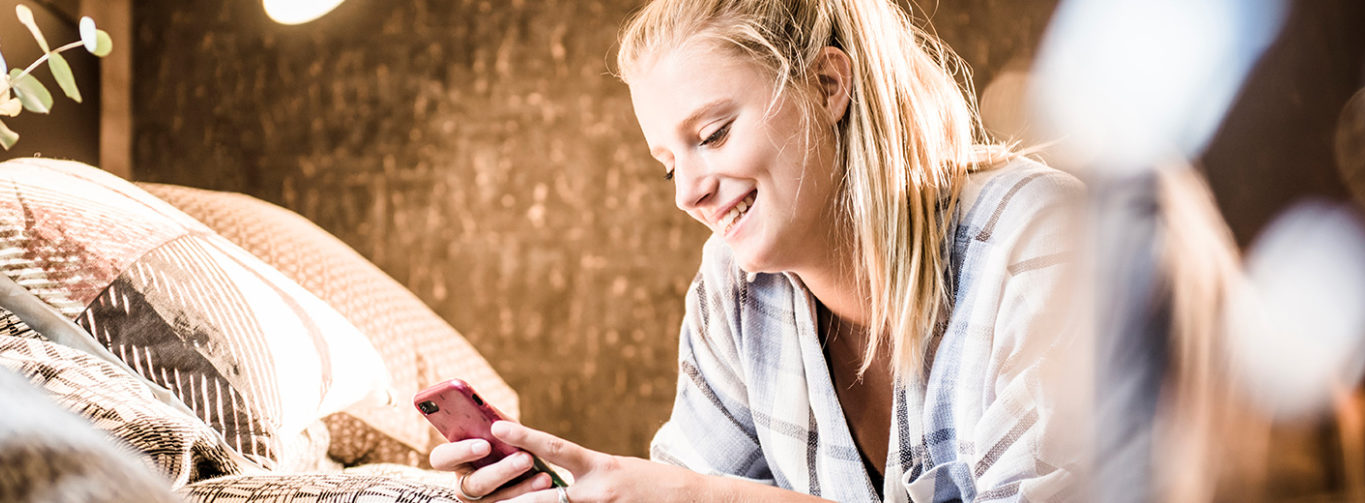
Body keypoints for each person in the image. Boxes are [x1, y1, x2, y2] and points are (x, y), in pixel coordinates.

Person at [430, 0, 1087, 501]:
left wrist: (700, 495)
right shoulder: (734, 292)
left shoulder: (1039, 242)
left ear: (828, 86)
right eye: (667, 164)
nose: (687, 192)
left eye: (712, 135)